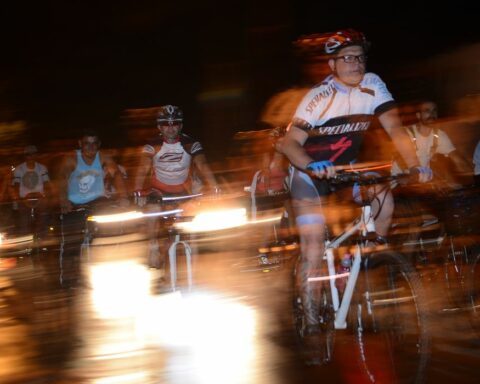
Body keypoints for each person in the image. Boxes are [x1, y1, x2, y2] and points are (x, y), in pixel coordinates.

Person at [279, 29, 432, 336]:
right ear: (332, 65)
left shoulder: (373, 85)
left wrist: (417, 165)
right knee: (313, 245)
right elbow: (288, 144)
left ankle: (358, 259)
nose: (356, 64)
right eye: (347, 58)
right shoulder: (318, 97)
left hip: (345, 171)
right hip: (309, 176)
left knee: (383, 199)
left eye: (360, 57)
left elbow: (397, 130)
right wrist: (311, 165)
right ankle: (310, 321)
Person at [134, 104, 218, 270]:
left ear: (180, 125)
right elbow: (143, 168)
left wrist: (215, 187)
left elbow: (202, 165)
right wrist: (137, 191)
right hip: (158, 190)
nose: (170, 128)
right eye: (166, 124)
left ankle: (169, 253)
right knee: (151, 212)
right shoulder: (152, 145)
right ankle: (152, 246)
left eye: (175, 124)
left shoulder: (190, 143)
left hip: (182, 190)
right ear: (159, 126)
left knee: (180, 228)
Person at [57, 130, 128, 288]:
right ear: (80, 144)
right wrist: (63, 200)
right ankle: (67, 277)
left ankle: (101, 269)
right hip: (74, 204)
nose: (90, 147)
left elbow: (116, 173)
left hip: (97, 201)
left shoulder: (103, 157)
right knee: (71, 242)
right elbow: (62, 178)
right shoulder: (72, 159)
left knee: (107, 230)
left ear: (99, 144)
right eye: (86, 143)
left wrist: (123, 197)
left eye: (94, 143)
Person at [392, 100, 472, 186]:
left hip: (422, 184)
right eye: (427, 111)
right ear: (418, 115)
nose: (432, 114)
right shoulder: (407, 133)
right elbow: (400, 159)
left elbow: (456, 156)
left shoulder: (439, 135)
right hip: (399, 183)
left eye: (434, 111)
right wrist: (410, 176)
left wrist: (470, 172)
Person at [12, 145, 52, 239]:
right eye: (28, 154)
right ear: (25, 156)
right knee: (24, 223)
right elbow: (16, 186)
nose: (30, 157)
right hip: (24, 199)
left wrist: (46, 196)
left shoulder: (42, 168)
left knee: (43, 220)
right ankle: (25, 242)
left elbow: (46, 184)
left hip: (40, 198)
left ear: (36, 155)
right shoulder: (19, 169)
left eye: (32, 154)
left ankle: (44, 240)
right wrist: (19, 200)